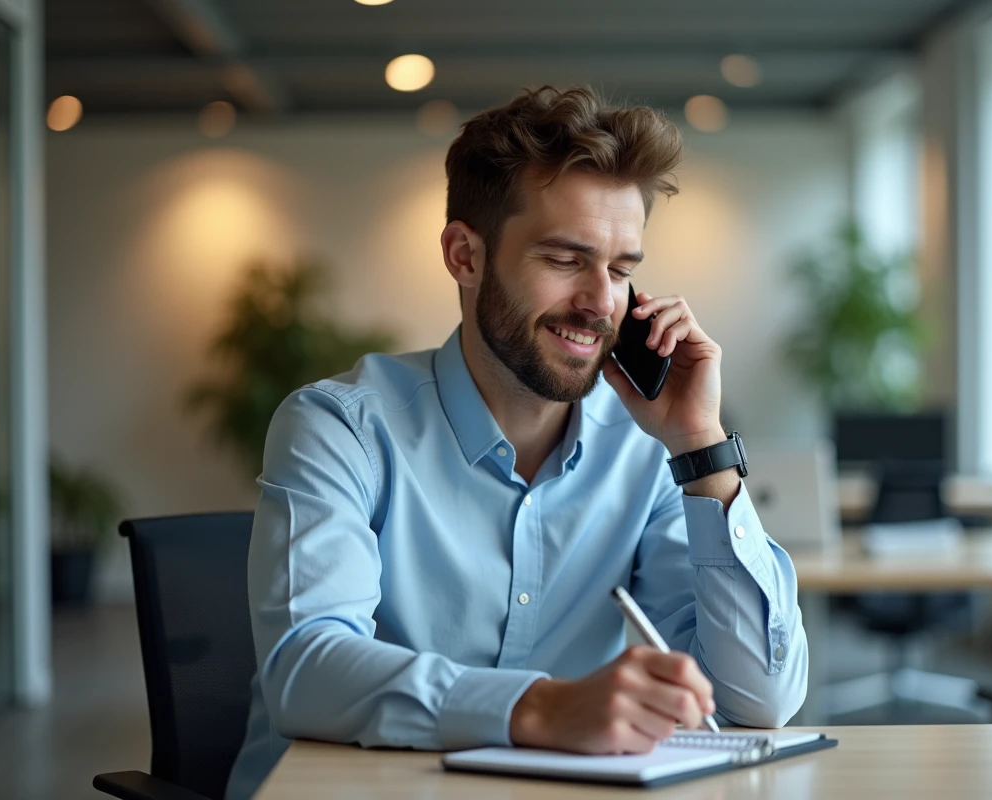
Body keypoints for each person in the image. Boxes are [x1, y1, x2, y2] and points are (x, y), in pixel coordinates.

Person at [225, 85, 807, 800]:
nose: (602, 303)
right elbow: (305, 669)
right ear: (464, 255)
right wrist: (540, 707)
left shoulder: (646, 449)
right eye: (566, 260)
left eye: (623, 270)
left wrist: (701, 448)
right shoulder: (340, 427)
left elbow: (759, 701)